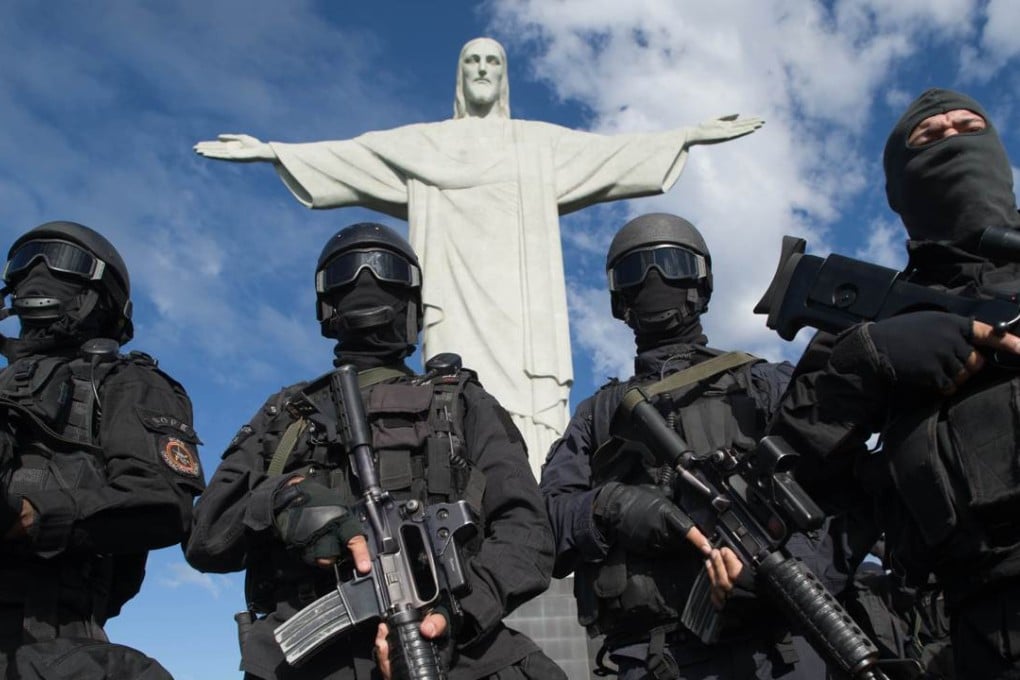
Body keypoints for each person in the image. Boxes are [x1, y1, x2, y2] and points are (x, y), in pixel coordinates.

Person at [193, 36, 764, 465]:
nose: (484, 70)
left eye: (494, 62)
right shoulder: (426, 145)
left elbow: (611, 155)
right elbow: (355, 156)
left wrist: (682, 136)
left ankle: (539, 489)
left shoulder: (537, 144)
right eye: (473, 62)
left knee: (533, 406)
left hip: (524, 308)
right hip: (455, 300)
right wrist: (275, 152)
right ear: (460, 77)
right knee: (457, 394)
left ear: (505, 76)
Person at [185, 222, 565, 680]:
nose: (367, 279)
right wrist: (283, 498)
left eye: (386, 270)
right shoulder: (287, 414)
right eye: (349, 270)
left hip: (454, 648)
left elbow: (529, 533)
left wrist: (454, 614)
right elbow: (206, 536)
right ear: (327, 303)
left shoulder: (461, 402)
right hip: (308, 661)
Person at [768, 88, 1020, 679]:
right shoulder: (871, 322)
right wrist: (868, 359)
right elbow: (788, 477)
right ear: (897, 187)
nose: (951, 139)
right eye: (928, 138)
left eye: (967, 127)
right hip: (984, 628)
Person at [540, 213, 830, 679]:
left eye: (671, 264)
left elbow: (837, 498)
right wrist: (609, 506)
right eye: (635, 270)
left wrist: (782, 569)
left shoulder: (764, 384)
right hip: (653, 656)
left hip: (779, 647)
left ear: (701, 282)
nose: (654, 280)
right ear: (620, 299)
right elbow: (543, 530)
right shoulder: (598, 414)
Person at [0, 221, 204, 678]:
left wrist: (31, 514)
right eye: (23, 262)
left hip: (50, 634)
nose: (36, 272)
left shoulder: (122, 382)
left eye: (59, 261)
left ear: (101, 291)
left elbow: (162, 503)